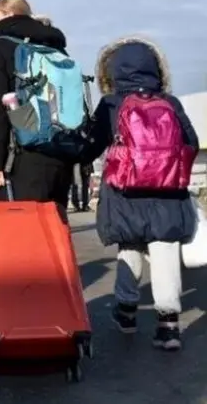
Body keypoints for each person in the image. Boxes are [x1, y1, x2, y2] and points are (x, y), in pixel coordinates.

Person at [81, 37, 198, 351]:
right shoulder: (170, 103)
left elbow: (91, 146)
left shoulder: (111, 103)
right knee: (165, 250)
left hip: (125, 193)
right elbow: (190, 142)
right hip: (168, 193)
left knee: (129, 247)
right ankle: (169, 326)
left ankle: (127, 312)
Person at [0, 0, 73, 205]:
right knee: (54, 222)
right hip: (61, 153)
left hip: (20, 157)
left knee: (18, 223)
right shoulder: (55, 46)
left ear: (9, 14)